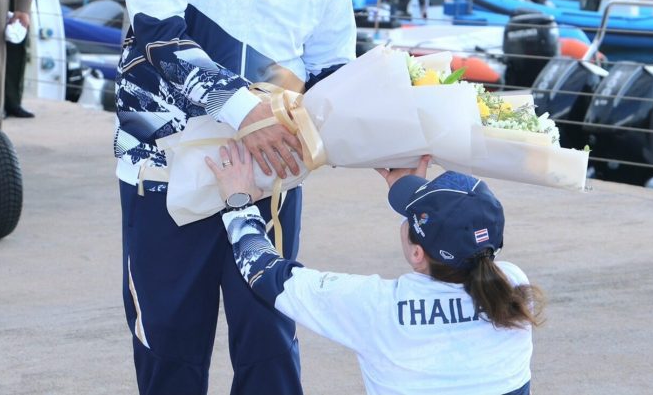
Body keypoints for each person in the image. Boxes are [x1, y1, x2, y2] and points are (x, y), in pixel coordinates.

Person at [115, 0, 356, 394]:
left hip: (272, 169)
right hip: (164, 167)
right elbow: (158, 39)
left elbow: (331, 67)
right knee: (169, 341)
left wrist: (383, 131)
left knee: (271, 339)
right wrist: (247, 109)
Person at [209, 145, 544, 395]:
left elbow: (265, 272)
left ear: (416, 253)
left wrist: (239, 202)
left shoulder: (375, 307)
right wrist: (414, 201)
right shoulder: (513, 287)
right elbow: (448, 246)